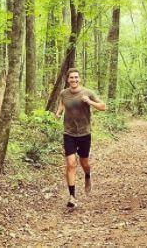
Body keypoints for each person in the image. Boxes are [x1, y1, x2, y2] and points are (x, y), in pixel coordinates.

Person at [55, 68, 106, 208]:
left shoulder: (87, 93)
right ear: (68, 79)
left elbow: (103, 106)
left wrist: (90, 102)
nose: (74, 80)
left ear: (79, 79)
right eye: (71, 78)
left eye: (76, 77)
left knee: (84, 163)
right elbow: (62, 104)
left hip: (84, 133)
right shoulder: (63, 93)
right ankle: (72, 196)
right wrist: (58, 113)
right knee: (71, 163)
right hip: (69, 133)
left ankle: (87, 176)